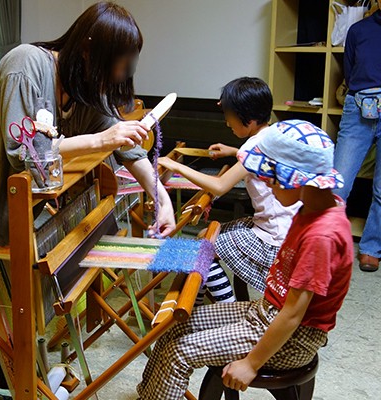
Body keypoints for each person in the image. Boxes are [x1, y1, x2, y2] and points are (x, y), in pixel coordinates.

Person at [0, 3, 176, 399]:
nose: (116, 78)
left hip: (3, 217)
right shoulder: (26, 64)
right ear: (88, 50)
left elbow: (127, 149)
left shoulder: (85, 92)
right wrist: (103, 139)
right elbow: (24, 149)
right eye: (113, 66)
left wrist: (161, 197)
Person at [137, 119, 352, 400]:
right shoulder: (314, 208)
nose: (270, 189)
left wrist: (251, 364)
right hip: (264, 312)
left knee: (180, 352)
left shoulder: (321, 236)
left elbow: (293, 314)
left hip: (294, 338)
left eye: (272, 181)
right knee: (172, 328)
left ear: (295, 179)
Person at [159, 77, 301, 303]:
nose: (227, 124)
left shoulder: (253, 147)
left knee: (201, 250)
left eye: (230, 118)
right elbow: (258, 159)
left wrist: (176, 166)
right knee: (203, 236)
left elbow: (220, 186)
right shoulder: (271, 135)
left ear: (250, 118)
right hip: (284, 228)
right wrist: (234, 152)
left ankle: (228, 307)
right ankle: (196, 305)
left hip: (272, 238)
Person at [333, 8, 381, 271]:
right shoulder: (359, 30)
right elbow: (350, 73)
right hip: (359, 105)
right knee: (338, 183)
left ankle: (371, 248)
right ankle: (328, 244)